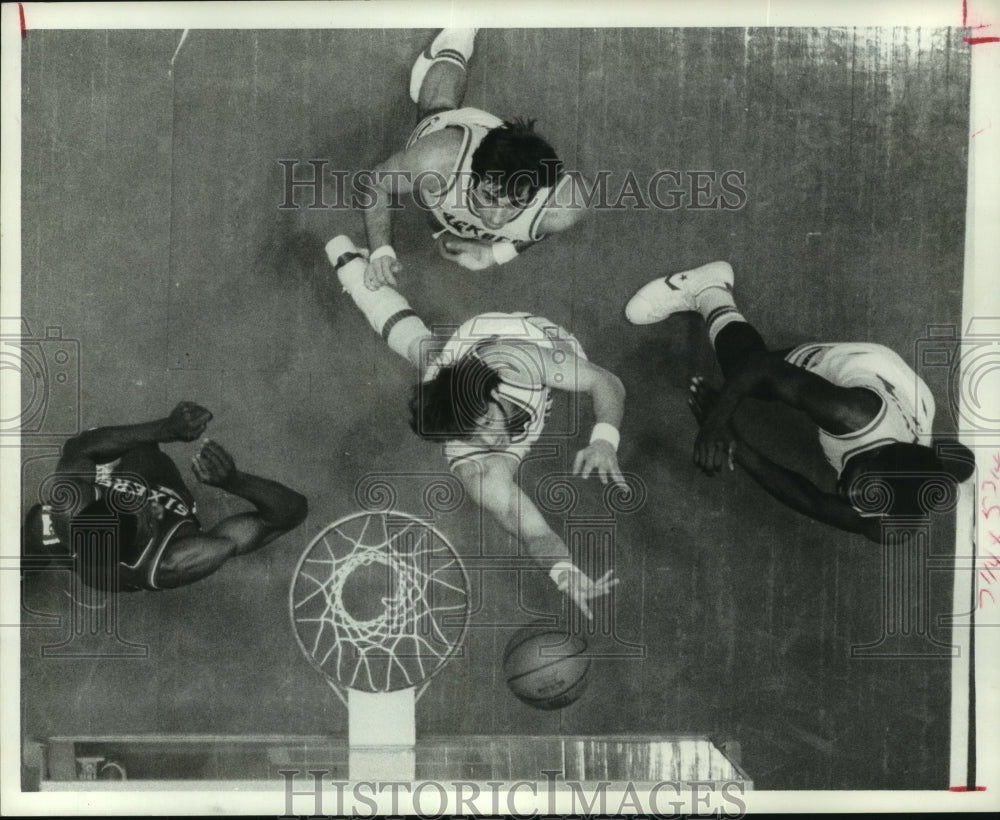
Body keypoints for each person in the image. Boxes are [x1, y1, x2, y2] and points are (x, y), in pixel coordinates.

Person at [327, 235, 624, 617]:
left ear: (492, 391)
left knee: (430, 354)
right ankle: (351, 265)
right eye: (471, 435)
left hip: (528, 336)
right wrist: (563, 571)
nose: (491, 438)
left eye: (484, 420)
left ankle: (355, 271)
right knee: (430, 360)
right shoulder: (477, 467)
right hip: (461, 362)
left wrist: (604, 441)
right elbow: (532, 531)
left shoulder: (517, 361)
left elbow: (606, 382)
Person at [625, 261, 974, 542]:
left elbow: (811, 500)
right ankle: (708, 288)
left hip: (917, 414)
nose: (851, 495)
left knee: (922, 464)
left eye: (871, 500)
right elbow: (759, 367)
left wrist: (737, 445)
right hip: (873, 369)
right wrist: (714, 426)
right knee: (749, 375)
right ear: (877, 455)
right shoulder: (849, 413)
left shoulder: (894, 526)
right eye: (866, 483)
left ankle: (937, 458)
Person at [360, 28, 588, 291]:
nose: (496, 219)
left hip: (475, 176)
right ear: (473, 173)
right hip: (452, 144)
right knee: (435, 108)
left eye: (516, 204)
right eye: (489, 197)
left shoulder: (563, 208)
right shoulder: (437, 160)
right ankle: (455, 41)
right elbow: (377, 183)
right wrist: (380, 251)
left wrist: (497, 254)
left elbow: (544, 224)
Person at [21, 402, 308, 591]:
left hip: (95, 541)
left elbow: (79, 447)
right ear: (146, 532)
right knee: (37, 527)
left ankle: (27, 558)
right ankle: (26, 565)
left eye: (127, 498)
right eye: (146, 512)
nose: (148, 502)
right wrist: (235, 481)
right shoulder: (177, 560)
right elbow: (293, 512)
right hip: (123, 566)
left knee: (133, 449)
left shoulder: (70, 506)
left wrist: (167, 429)